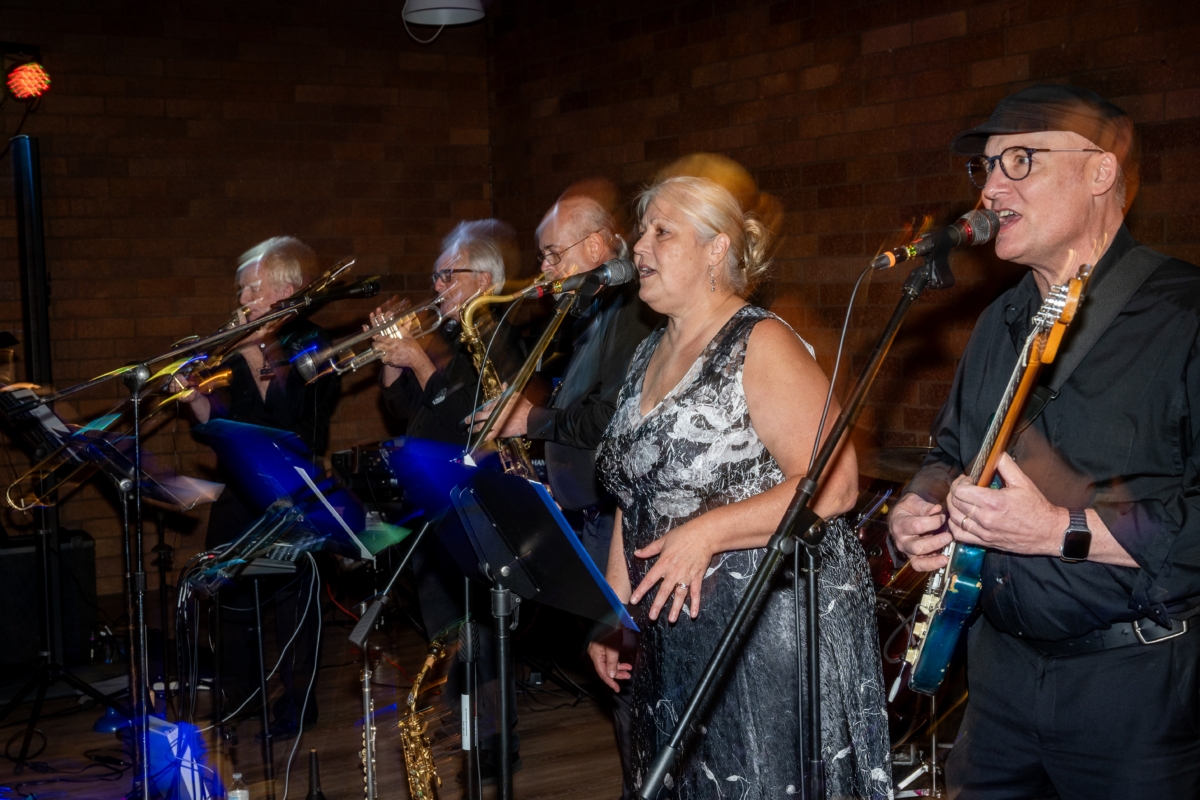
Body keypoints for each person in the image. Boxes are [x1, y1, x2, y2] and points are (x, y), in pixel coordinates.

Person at [887, 84, 1200, 799]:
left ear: (1100, 171)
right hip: (997, 687)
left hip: (1134, 696)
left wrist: (1066, 531)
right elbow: (948, 454)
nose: (992, 186)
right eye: (987, 166)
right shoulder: (1000, 318)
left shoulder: (1185, 315)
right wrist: (921, 503)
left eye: (1020, 160)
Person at [592, 175, 891, 798]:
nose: (639, 247)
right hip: (671, 632)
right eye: (642, 231)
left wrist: (707, 532)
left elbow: (835, 485)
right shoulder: (647, 352)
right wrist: (613, 612)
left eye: (661, 232)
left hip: (758, 630)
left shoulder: (760, 340)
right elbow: (635, 494)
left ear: (715, 250)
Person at [478, 185, 659, 798]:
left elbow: (610, 419)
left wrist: (529, 422)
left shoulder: (632, 309)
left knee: (632, 677)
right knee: (619, 676)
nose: (546, 270)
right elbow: (579, 409)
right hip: (590, 512)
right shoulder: (591, 316)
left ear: (596, 244)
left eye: (553, 255)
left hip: (618, 519)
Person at [373, 219, 524, 782]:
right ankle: (468, 741)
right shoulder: (455, 338)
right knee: (447, 636)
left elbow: (469, 415)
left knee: (479, 638)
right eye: (435, 275)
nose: (437, 286)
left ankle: (492, 750)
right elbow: (410, 410)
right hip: (438, 509)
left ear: (483, 279)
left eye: (447, 275)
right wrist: (392, 355)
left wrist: (416, 359)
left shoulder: (500, 334)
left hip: (479, 508)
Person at [178, 236, 340, 739]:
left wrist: (254, 355)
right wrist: (198, 400)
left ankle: (297, 701)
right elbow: (228, 425)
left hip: (292, 488)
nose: (242, 299)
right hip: (242, 485)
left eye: (252, 289)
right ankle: (242, 693)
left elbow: (292, 425)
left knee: (295, 601)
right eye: (241, 289)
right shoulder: (238, 349)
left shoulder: (315, 346)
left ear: (287, 290)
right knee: (223, 586)